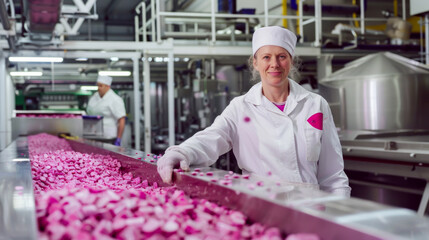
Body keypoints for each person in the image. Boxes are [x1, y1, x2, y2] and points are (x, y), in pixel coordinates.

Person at [157, 26, 351, 197]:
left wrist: (339, 214)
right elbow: (212, 137)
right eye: (266, 57)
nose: (274, 64)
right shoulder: (241, 107)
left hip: (310, 207)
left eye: (282, 56)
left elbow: (333, 174)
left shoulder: (315, 104)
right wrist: (182, 153)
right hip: (260, 205)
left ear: (290, 62)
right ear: (255, 63)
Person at [86, 75, 126, 146]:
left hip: (109, 137)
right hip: (93, 135)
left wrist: (118, 138)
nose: (98, 88)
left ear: (108, 87)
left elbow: (121, 120)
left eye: (101, 86)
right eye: (98, 85)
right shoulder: (94, 97)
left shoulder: (115, 99)